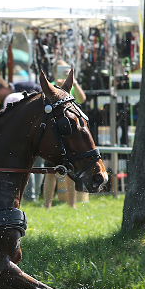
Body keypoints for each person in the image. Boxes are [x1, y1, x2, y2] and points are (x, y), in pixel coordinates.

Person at [43, 63, 88, 209]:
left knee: (71, 171)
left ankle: (72, 204)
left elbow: (82, 99)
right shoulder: (50, 86)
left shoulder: (72, 86)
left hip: (70, 135)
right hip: (54, 133)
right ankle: (47, 205)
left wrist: (73, 82)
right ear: (55, 72)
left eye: (67, 71)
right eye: (62, 71)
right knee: (51, 172)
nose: (64, 74)